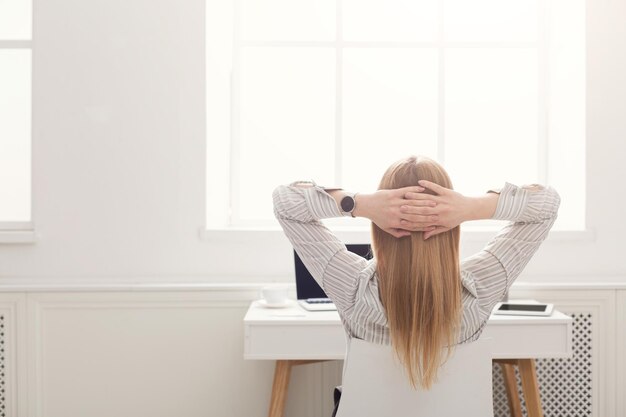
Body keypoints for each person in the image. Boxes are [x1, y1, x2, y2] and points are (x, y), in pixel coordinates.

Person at [273, 155, 560, 415]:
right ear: (452, 223)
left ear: (380, 223)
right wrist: (471, 207)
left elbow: (285, 202)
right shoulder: (481, 287)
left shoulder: (353, 287)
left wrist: (359, 204)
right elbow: (547, 205)